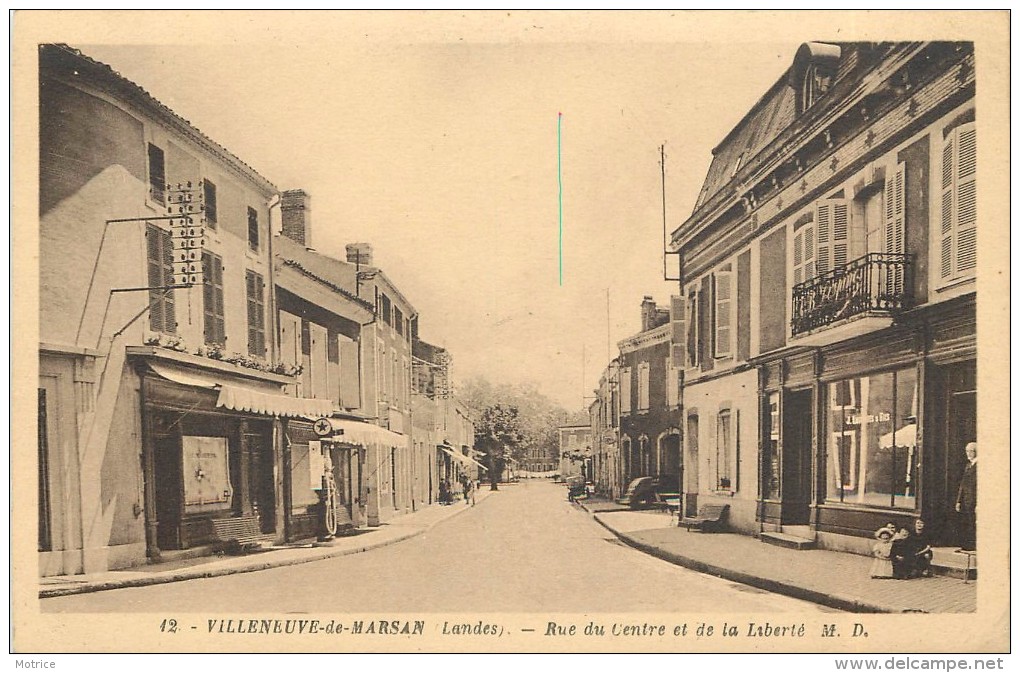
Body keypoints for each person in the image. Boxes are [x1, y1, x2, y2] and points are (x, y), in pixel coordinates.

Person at [955, 442, 977, 552]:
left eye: (970, 451)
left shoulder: (979, 466)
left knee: (973, 522)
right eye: (967, 451)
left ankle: (973, 545)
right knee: (966, 522)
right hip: (966, 500)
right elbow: (962, 484)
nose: (968, 453)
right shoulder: (968, 465)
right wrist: (958, 501)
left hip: (974, 500)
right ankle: (967, 544)